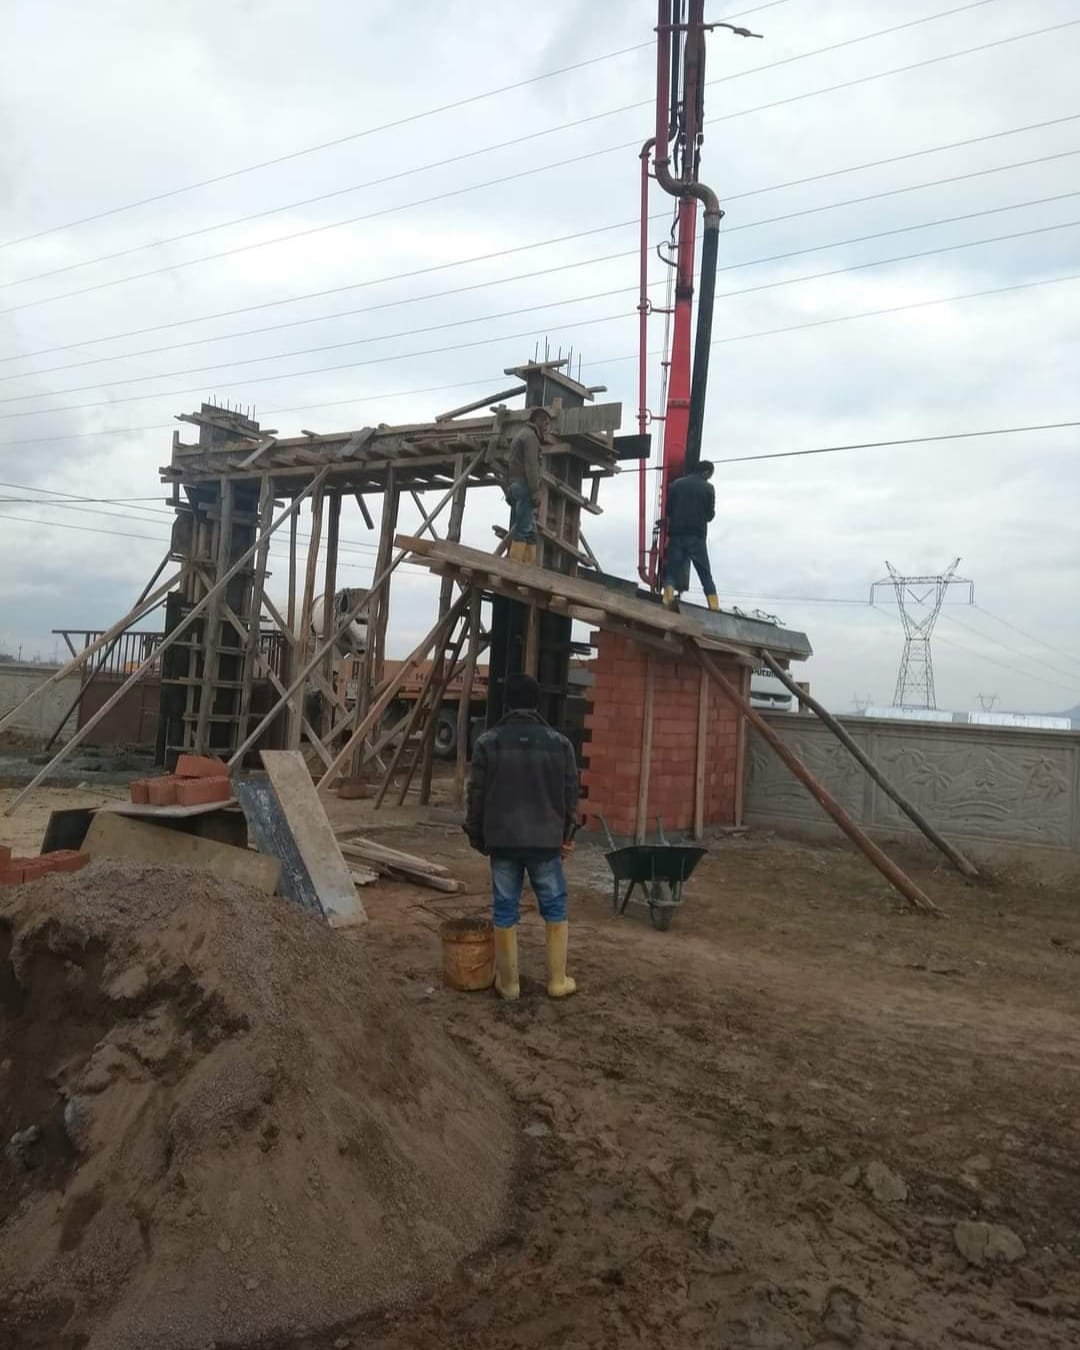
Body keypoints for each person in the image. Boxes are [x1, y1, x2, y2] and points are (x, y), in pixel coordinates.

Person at [465, 672, 579, 1001]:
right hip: (546, 842)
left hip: (502, 840)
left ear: (507, 704)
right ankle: (557, 982)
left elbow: (476, 795)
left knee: (504, 909)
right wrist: (567, 835)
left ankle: (509, 985)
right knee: (555, 906)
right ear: (537, 703)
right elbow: (570, 795)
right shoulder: (560, 744)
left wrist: (477, 836)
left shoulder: (488, 742)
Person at [663, 460, 719, 611]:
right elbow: (709, 515)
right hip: (696, 536)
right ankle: (713, 605)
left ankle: (667, 598)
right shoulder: (708, 488)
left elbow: (668, 510)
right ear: (707, 472)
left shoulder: (676, 484)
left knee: (672, 569)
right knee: (704, 572)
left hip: (676, 534)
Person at [506, 407, 551, 565]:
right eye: (545, 423)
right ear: (537, 421)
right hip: (525, 486)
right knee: (524, 529)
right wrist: (535, 492)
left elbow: (511, 463)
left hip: (515, 485)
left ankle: (528, 567)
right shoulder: (531, 437)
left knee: (531, 532)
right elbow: (531, 466)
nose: (547, 427)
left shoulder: (521, 434)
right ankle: (516, 566)